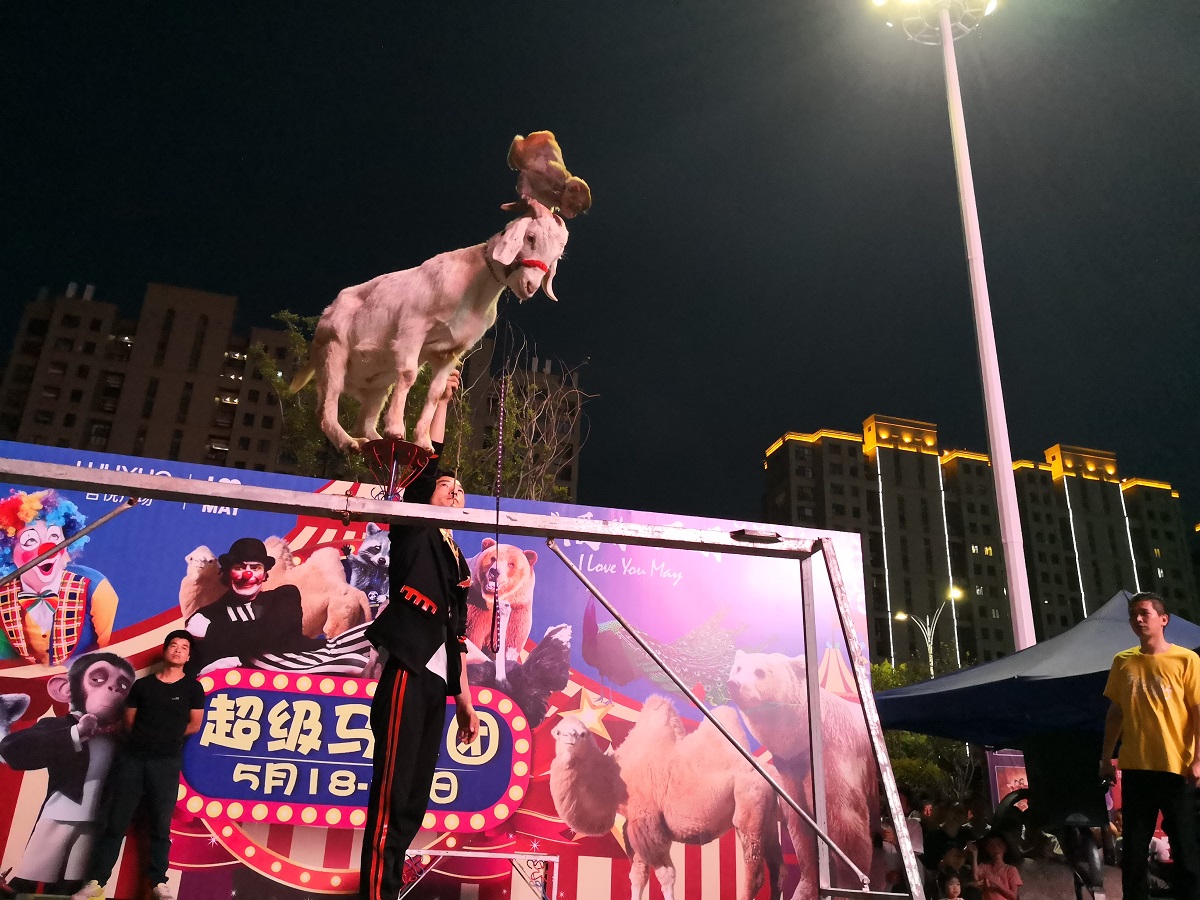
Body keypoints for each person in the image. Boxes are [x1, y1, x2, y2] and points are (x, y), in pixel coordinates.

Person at [359, 370, 479, 900]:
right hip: (408, 668)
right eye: (446, 486)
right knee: (391, 796)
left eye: (459, 489)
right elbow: (430, 458)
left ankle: (388, 889)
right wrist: (440, 398)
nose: (454, 489)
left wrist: (466, 702)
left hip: (436, 683)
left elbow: (457, 635)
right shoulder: (413, 527)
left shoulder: (456, 559)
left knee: (413, 801)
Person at [71, 630, 205, 900]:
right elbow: (129, 722)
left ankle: (158, 883)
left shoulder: (193, 688)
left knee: (160, 826)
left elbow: (195, 724)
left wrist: (166, 739)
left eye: (184, 647)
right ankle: (96, 882)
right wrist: (146, 739)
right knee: (115, 823)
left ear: (188, 656)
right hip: (132, 759)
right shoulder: (143, 686)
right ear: (165, 650)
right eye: (173, 645)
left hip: (166, 763)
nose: (178, 650)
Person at [1101, 591, 1200, 900]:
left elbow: (1197, 710)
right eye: (1133, 614)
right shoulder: (1123, 661)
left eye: (1144, 613)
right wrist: (1105, 758)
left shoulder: (1186, 659)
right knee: (1133, 852)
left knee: (1186, 850)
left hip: (1177, 768)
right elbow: (1116, 711)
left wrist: (1199, 759)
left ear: (1163, 619)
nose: (1138, 619)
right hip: (1136, 768)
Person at [0, 489, 119, 667]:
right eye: (30, 540)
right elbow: (5, 661)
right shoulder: (3, 594)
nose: (47, 549)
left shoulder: (95, 588)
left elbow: (112, 655)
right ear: (8, 552)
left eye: (54, 536)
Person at [185, 537, 321, 672]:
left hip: (309, 666)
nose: (247, 574)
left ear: (265, 574)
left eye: (255, 568)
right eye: (239, 568)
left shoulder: (284, 596)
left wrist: (213, 631)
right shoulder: (206, 616)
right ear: (228, 573)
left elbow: (279, 633)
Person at [968, 833, 1022, 900]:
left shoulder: (1011, 870)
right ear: (987, 849)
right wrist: (974, 854)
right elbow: (975, 877)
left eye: (999, 844)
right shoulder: (984, 867)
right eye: (991, 845)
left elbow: (1014, 896)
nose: (995, 848)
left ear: (1005, 848)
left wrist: (997, 884)